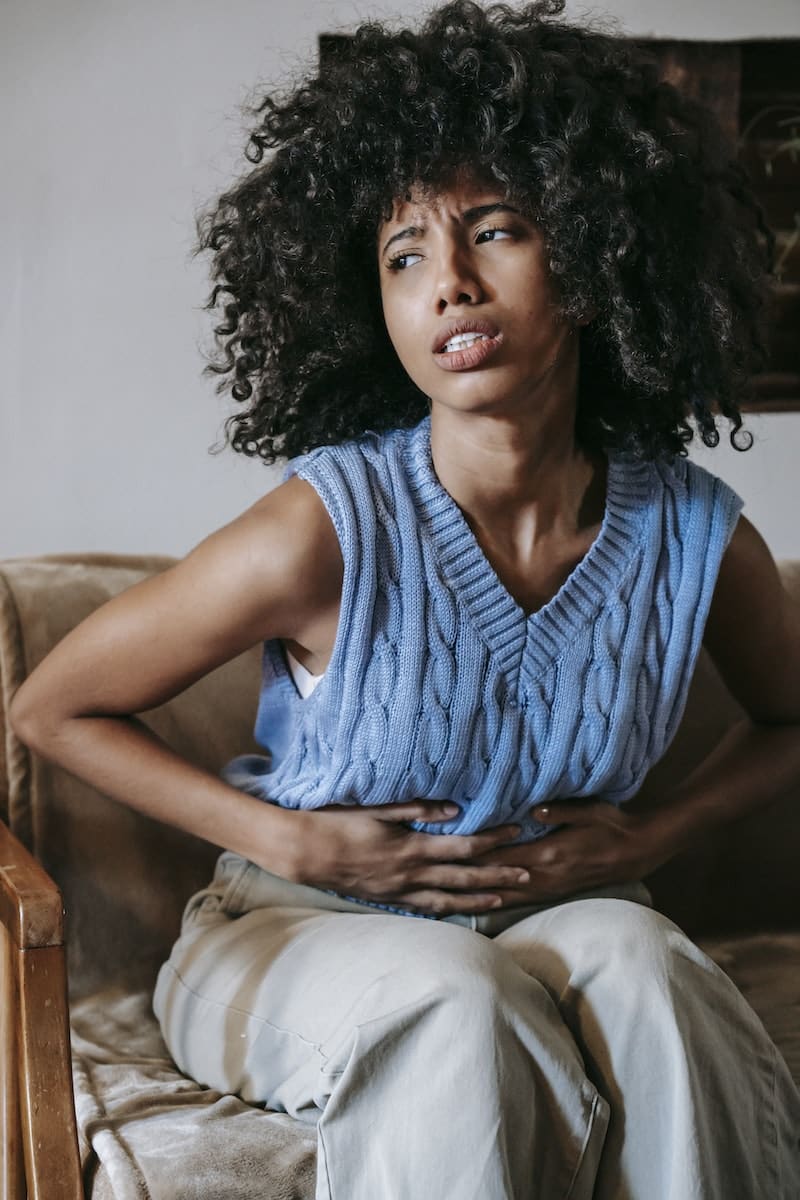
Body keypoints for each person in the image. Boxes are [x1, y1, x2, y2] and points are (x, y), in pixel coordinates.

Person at [11, 1, 800, 1196]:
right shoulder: (325, 526)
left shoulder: (692, 532)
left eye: (495, 233)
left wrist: (653, 833)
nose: (450, 286)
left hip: (566, 918)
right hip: (293, 931)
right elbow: (51, 710)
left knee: (651, 969)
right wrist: (288, 838)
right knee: (450, 994)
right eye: (405, 256)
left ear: (590, 261)